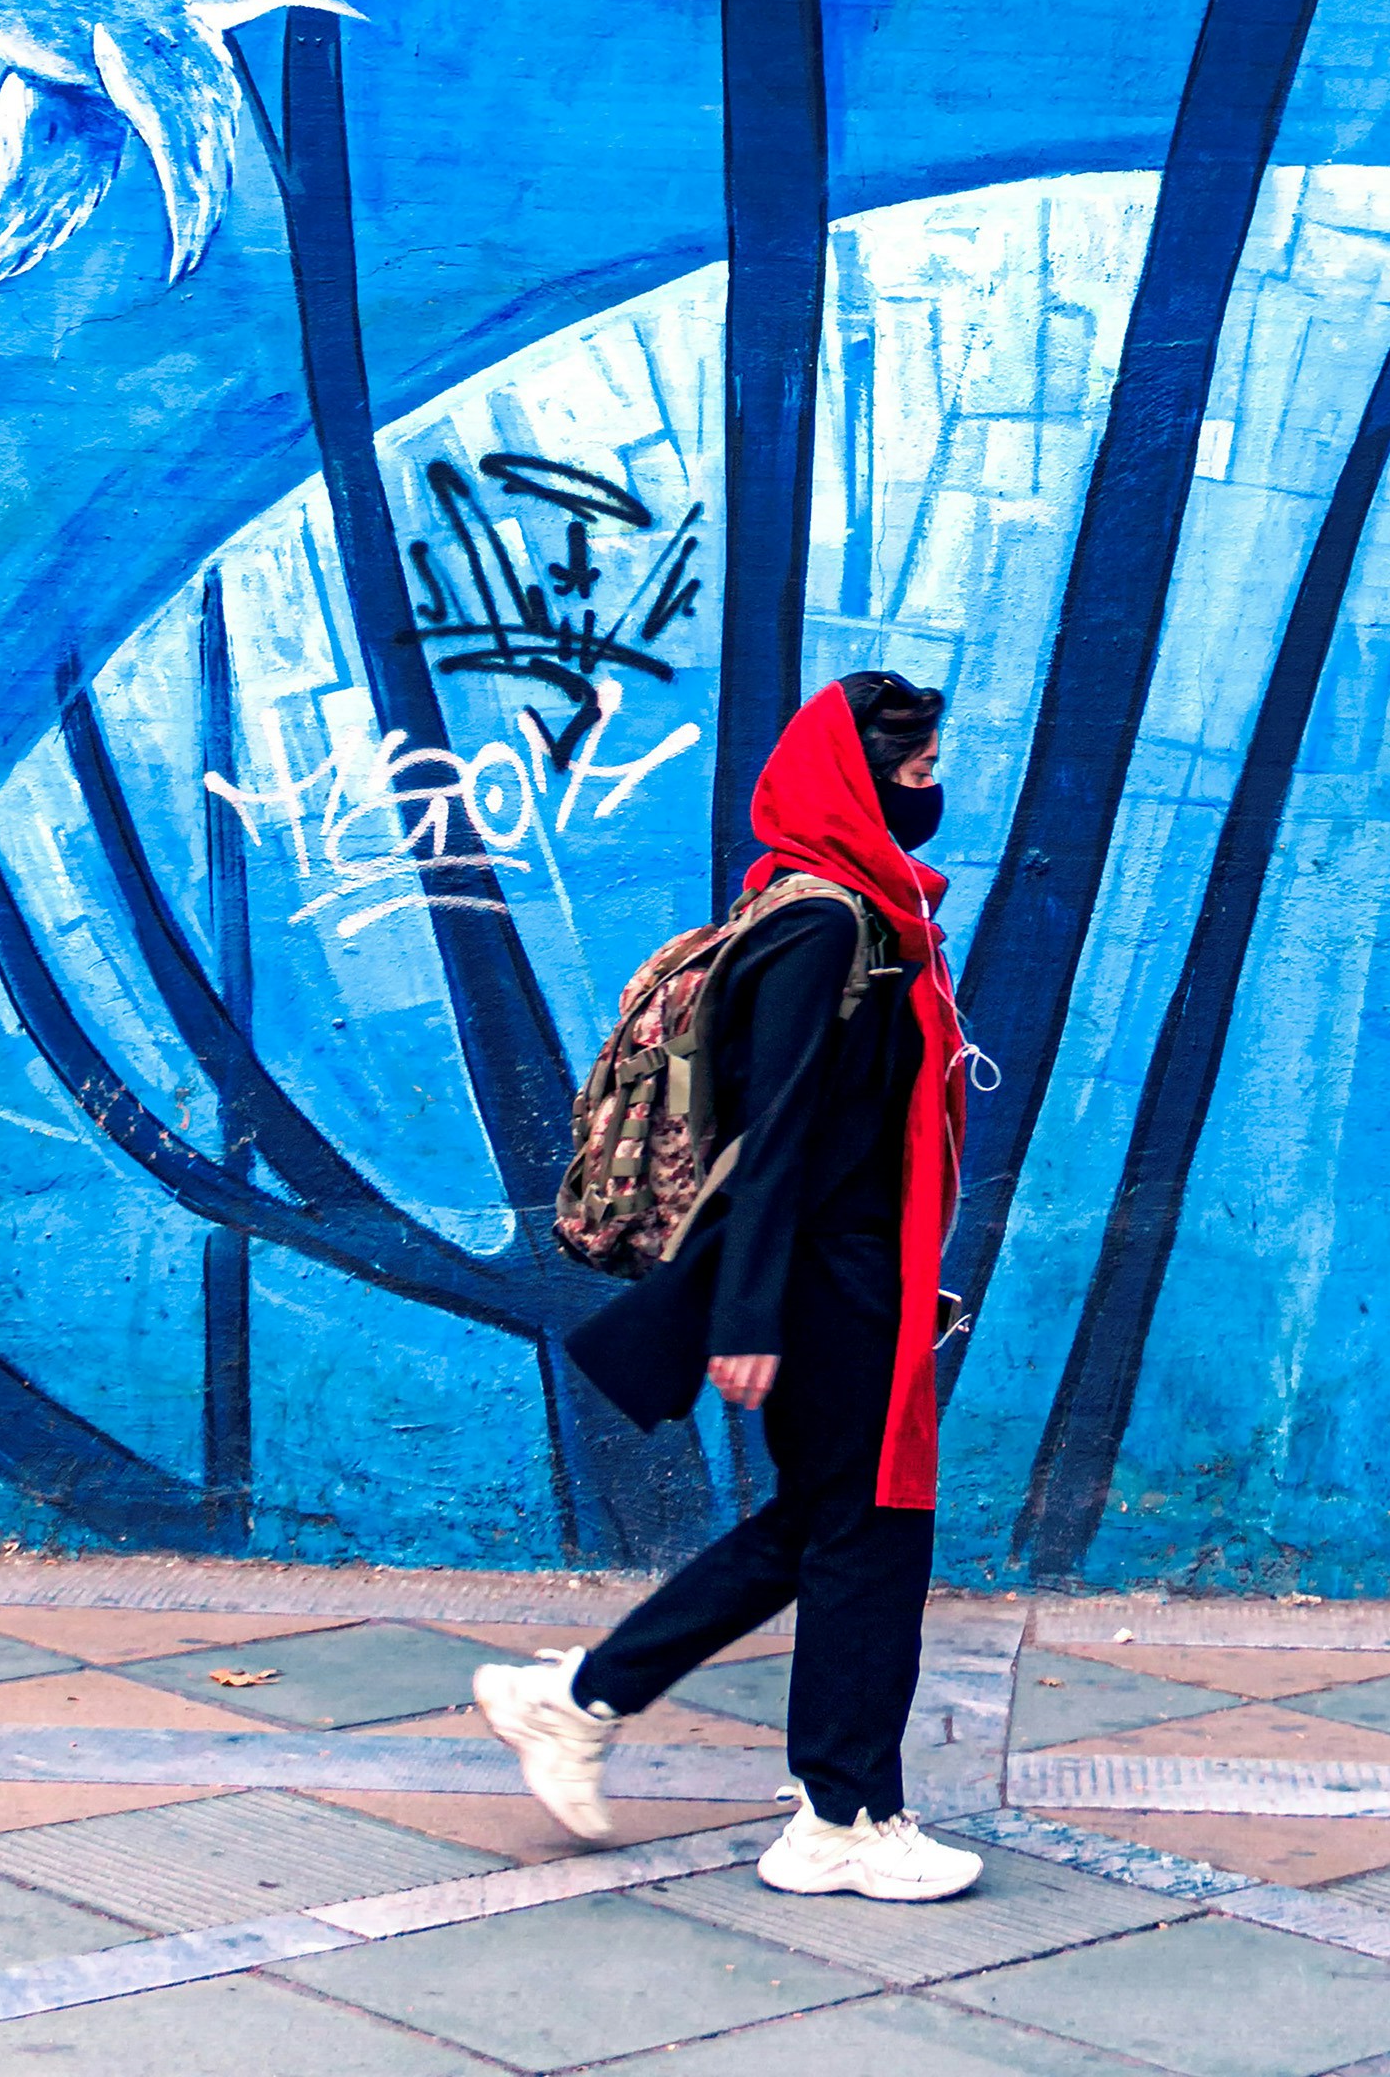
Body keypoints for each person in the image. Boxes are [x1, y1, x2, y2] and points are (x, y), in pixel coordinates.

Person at [473, 670, 981, 1902]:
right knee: (873, 1534)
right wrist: (750, 1316)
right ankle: (844, 1815)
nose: (932, 795)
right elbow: (784, 1134)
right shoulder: (820, 931)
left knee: (824, 1525)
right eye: (912, 776)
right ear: (855, 783)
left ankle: (581, 1697)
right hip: (822, 1281)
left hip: (854, 1275)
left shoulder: (842, 914)